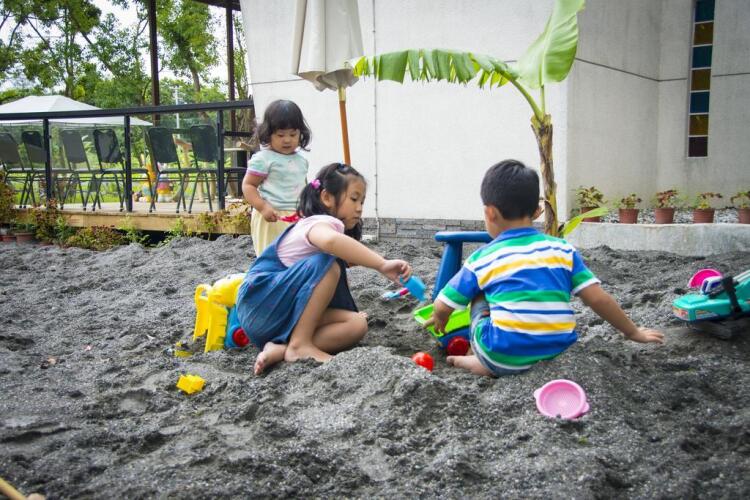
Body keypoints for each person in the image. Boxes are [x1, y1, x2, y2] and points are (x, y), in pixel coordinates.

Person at [431, 159, 664, 377]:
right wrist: (632, 332)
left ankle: (479, 361)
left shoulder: (482, 258)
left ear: (490, 212)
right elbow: (598, 299)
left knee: (478, 293)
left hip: (502, 355)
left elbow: (443, 304)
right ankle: (489, 362)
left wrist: (441, 319)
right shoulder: (563, 250)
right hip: (558, 352)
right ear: (537, 211)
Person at [236, 163, 413, 375]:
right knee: (328, 265)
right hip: (261, 300)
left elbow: (330, 283)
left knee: (356, 324)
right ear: (327, 197)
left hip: (275, 317)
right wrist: (381, 264)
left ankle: (284, 347)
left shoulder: (323, 232)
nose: (359, 208)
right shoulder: (318, 223)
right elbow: (330, 241)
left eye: (362, 202)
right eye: (354, 199)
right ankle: (300, 345)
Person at [242, 99, 312, 256]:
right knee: (272, 258)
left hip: (297, 216)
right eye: (280, 135)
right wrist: (262, 207)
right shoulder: (264, 159)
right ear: (268, 133)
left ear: (301, 133)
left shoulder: (301, 161)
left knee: (297, 257)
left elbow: (303, 187)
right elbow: (248, 185)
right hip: (272, 216)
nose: (287, 140)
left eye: (293, 134)